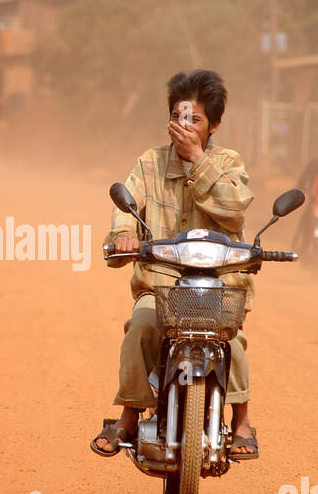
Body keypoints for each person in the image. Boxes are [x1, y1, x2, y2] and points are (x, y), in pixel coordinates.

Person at [90, 69, 259, 461]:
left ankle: (242, 420)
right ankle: (130, 415)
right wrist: (123, 238)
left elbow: (234, 211)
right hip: (161, 288)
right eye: (178, 117)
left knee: (232, 339)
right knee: (142, 327)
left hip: (219, 289)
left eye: (195, 119)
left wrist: (197, 161)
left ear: (214, 125)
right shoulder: (149, 163)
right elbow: (125, 209)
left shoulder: (228, 163)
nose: (184, 126)